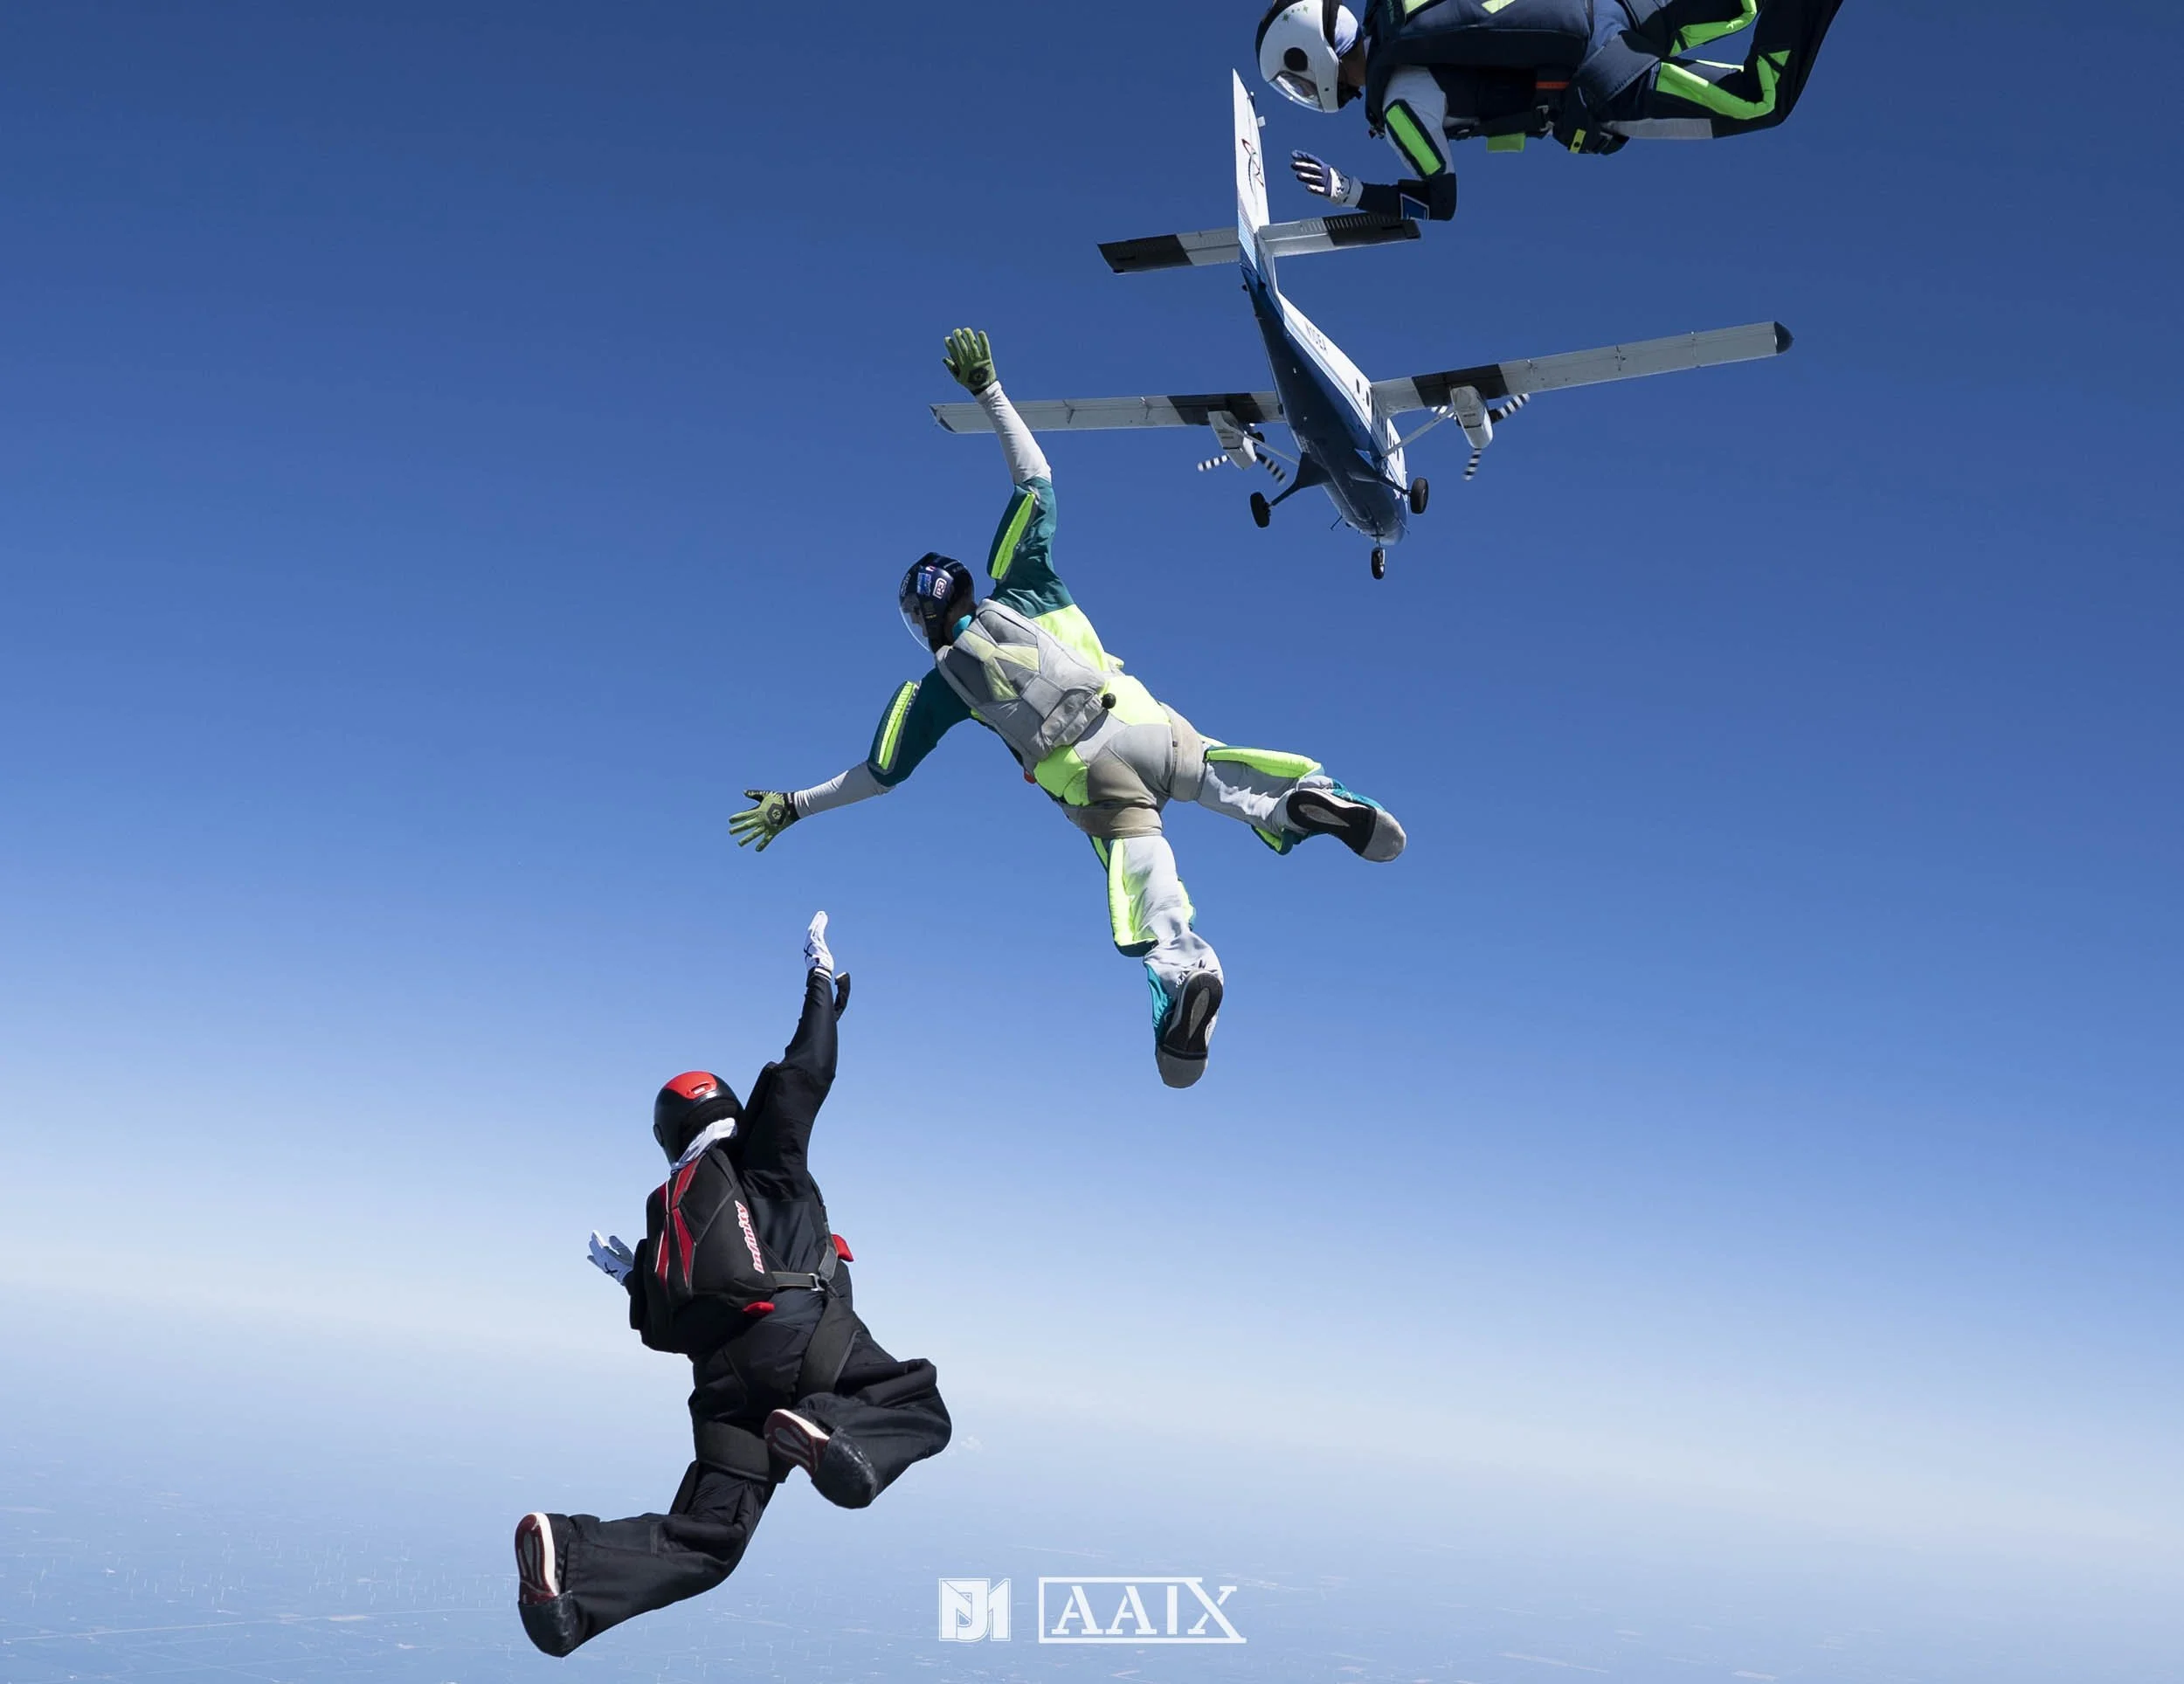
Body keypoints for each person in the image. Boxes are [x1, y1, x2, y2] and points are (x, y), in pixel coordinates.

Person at [729, 330, 1406, 1090]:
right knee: (1221, 773)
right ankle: (1302, 802)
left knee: (1149, 891)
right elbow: (1036, 479)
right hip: (1146, 726)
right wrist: (988, 390)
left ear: (920, 624)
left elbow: (877, 776)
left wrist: (795, 804)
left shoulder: (937, 690)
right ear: (965, 588)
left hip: (1091, 782)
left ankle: (1186, 975)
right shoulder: (1024, 584)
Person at [513, 914, 950, 1658]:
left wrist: (627, 1274)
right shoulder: (761, 1159)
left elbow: (663, 1323)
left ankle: (571, 1569)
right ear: (726, 1112)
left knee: (712, 1541)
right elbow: (803, 1073)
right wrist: (820, 985)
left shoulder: (672, 1211)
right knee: (917, 1402)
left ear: (670, 1134)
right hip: (802, 1344)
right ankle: (830, 1429)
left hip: (724, 1391)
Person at [1258, 0, 1847, 219]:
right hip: (1609, 7)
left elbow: (1441, 202)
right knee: (1743, 4)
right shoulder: (1400, 4)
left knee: (1759, 100)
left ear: (1311, 59)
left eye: (1298, 83)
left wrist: (1350, 192)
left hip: (1603, 81)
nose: (1307, 95)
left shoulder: (1398, 106)